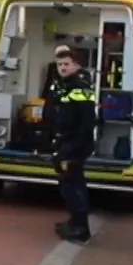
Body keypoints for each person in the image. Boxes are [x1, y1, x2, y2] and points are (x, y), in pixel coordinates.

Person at [47, 46, 97, 244]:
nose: (62, 68)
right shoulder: (60, 84)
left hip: (76, 142)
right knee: (67, 183)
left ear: (76, 65)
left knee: (74, 186)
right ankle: (74, 221)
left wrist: (72, 146)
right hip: (64, 139)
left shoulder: (80, 87)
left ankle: (81, 228)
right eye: (59, 65)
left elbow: (87, 122)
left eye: (66, 64)